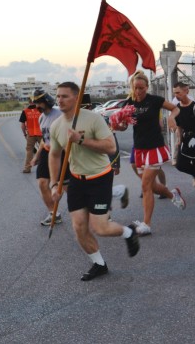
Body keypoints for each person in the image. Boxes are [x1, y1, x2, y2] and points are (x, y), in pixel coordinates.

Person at [49, 82, 139, 281]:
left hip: (99, 178)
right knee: (79, 227)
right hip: (77, 181)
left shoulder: (93, 119)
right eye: (58, 96)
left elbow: (110, 147)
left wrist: (80, 140)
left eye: (64, 96)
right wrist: (54, 183)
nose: (59, 100)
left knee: (100, 228)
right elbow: (54, 155)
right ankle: (99, 264)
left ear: (76, 98)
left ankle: (127, 232)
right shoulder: (56, 126)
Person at [117, 71, 185, 236]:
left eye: (141, 88)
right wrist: (118, 125)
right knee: (153, 186)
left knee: (146, 186)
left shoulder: (154, 100)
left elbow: (175, 109)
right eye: (136, 88)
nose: (139, 91)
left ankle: (146, 224)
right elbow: (124, 126)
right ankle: (172, 194)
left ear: (147, 87)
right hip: (139, 148)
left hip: (155, 147)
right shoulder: (129, 103)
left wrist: (171, 118)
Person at [30, 89, 63, 225]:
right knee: (42, 183)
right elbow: (44, 139)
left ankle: (98, 207)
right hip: (47, 151)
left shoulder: (60, 115)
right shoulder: (41, 117)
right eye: (35, 103)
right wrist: (37, 155)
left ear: (47, 101)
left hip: (61, 152)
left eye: (39, 103)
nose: (37, 106)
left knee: (67, 187)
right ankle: (53, 213)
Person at [19, 98, 42, 173]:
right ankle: (48, 167)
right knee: (46, 150)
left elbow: (22, 125)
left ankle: (27, 168)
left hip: (31, 134)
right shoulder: (40, 109)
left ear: (29, 102)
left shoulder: (25, 111)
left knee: (29, 151)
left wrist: (25, 134)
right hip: (41, 133)